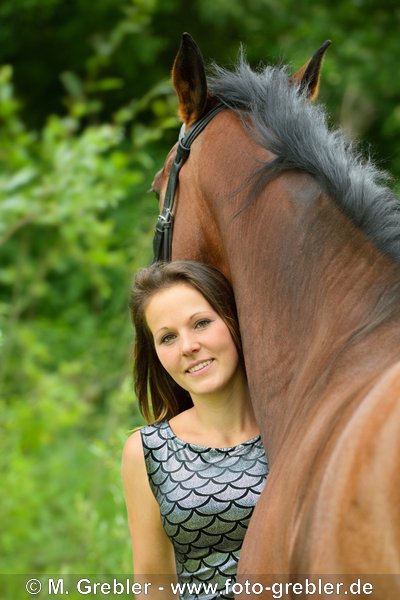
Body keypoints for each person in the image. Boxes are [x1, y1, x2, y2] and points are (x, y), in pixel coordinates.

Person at [122, 261, 268, 599]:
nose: (188, 346)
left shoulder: (295, 432)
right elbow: (153, 585)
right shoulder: (147, 451)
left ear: (233, 321)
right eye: (168, 337)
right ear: (155, 354)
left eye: (201, 323)